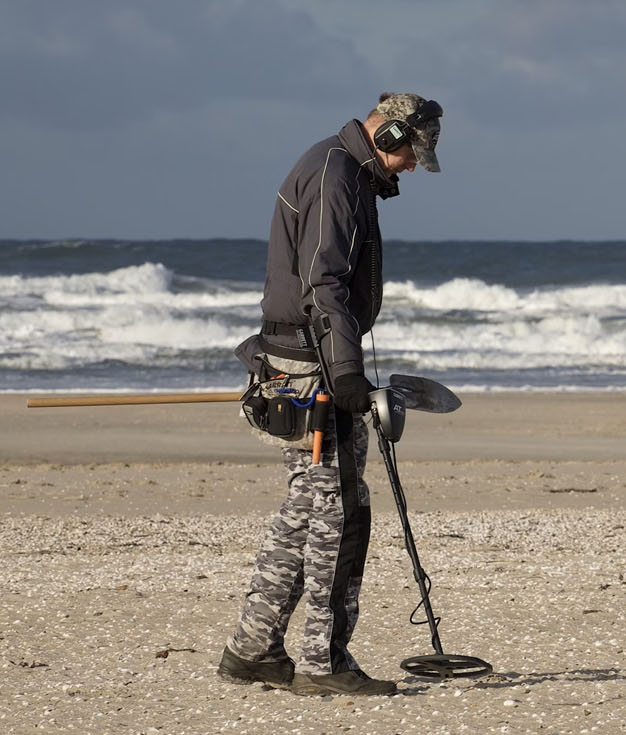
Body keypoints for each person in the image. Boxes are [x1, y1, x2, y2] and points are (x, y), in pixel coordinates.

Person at [216, 92, 444, 697]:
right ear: (389, 134)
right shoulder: (335, 175)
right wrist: (344, 375)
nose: (413, 167)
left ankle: (253, 648)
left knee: (307, 507)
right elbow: (325, 283)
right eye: (413, 154)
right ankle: (324, 662)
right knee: (340, 511)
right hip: (312, 370)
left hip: (300, 360)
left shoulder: (339, 169)